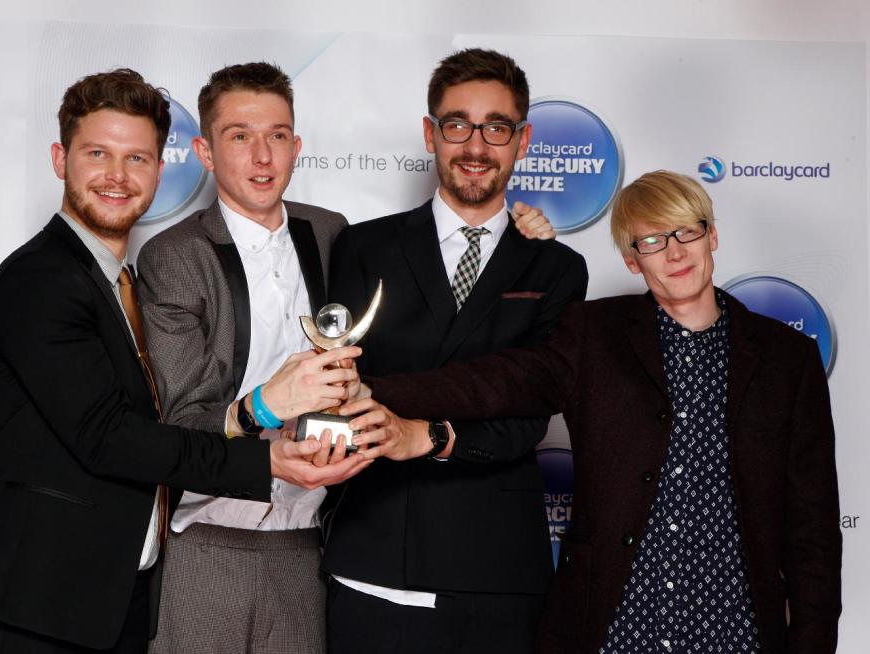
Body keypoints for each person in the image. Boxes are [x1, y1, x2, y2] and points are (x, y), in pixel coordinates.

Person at [0, 68, 367, 654]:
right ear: (60, 160)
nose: (118, 177)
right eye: (98, 154)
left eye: (137, 159)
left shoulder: (112, 283)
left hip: (109, 596)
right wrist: (266, 447)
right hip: (32, 609)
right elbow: (109, 438)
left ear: (160, 171)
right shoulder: (42, 280)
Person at [136, 60, 558, 654]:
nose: (262, 156)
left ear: (297, 145)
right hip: (212, 537)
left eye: (277, 136)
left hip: (311, 541)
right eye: (240, 137)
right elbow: (177, 427)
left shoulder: (332, 234)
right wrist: (262, 407)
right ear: (205, 152)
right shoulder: (175, 256)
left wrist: (520, 235)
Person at [351, 170, 842, 654]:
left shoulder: (787, 359)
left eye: (685, 231)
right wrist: (372, 390)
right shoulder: (594, 334)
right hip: (612, 628)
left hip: (734, 630)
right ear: (633, 261)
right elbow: (498, 383)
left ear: (711, 235)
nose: (673, 252)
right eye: (650, 241)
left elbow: (813, 531)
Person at [321, 48, 588, 654]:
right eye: (456, 124)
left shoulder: (557, 267)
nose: (475, 145)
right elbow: (339, 388)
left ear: (522, 140)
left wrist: (431, 435)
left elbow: (532, 410)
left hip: (495, 566)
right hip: (378, 549)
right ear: (430, 134)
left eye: (496, 127)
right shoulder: (363, 247)